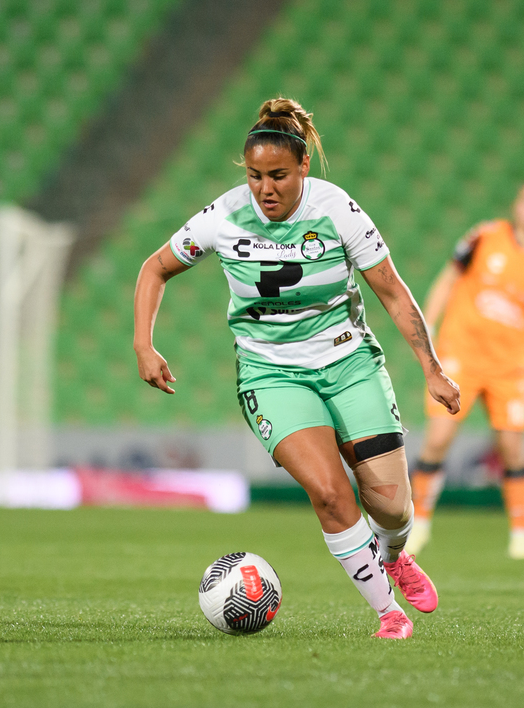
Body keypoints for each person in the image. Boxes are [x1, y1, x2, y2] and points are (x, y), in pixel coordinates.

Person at [133, 98, 460, 639]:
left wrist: (432, 368)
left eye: (278, 176)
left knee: (393, 508)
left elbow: (392, 292)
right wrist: (144, 345)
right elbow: (154, 268)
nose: (265, 189)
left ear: (303, 166)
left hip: (348, 361)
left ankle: (394, 555)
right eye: (255, 175)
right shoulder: (223, 216)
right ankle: (388, 613)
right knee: (330, 493)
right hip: (271, 374)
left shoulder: (337, 211)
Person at [406, 181, 524, 560]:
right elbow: (448, 279)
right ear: (517, 206)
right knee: (437, 441)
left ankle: (521, 537)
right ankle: (419, 527)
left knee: (513, 450)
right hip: (461, 357)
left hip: (508, 369)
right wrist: (426, 329)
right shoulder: (485, 237)